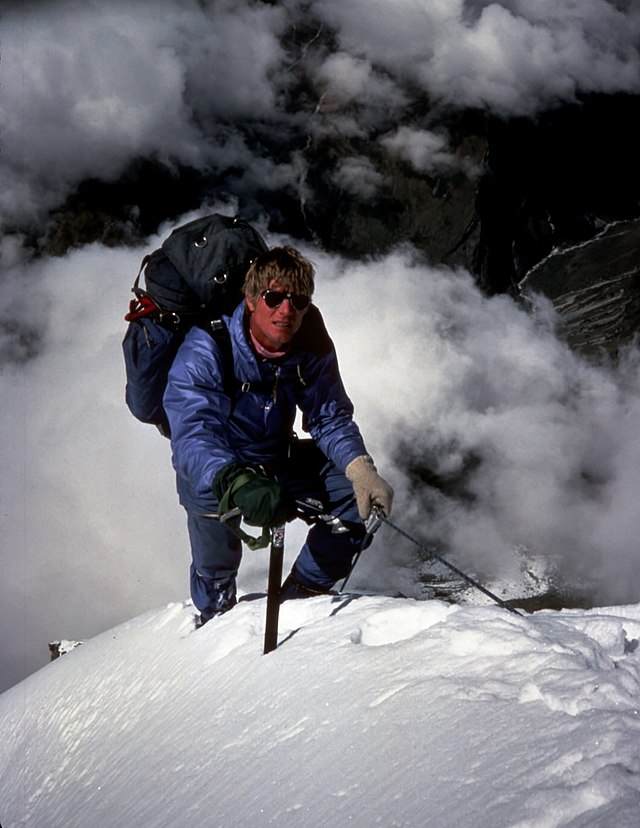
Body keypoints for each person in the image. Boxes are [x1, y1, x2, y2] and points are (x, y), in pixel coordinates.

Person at [163, 246, 393, 625]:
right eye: (274, 297)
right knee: (215, 570)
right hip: (216, 474)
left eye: (298, 300)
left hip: (277, 460)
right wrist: (234, 480)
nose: (286, 310)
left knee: (353, 503)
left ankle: (298, 603)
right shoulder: (208, 346)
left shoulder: (309, 341)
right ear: (251, 299)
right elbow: (193, 431)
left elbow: (328, 414)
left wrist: (359, 467)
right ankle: (213, 626)